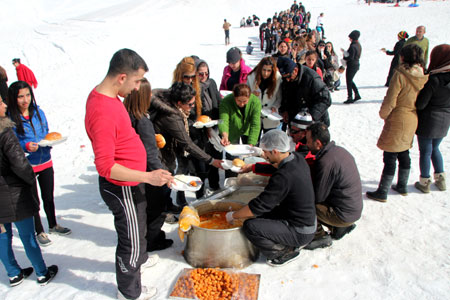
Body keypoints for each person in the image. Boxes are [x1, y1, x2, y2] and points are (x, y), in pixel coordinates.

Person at [85, 48, 174, 300]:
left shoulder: (111, 97)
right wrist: (148, 177)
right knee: (131, 241)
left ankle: (140, 261)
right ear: (122, 77)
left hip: (133, 179)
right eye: (136, 81)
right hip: (121, 185)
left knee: (139, 229)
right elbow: (105, 165)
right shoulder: (102, 110)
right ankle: (129, 290)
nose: (138, 88)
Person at [226, 130, 316, 267]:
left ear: (275, 151)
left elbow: (259, 206)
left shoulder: (283, 177)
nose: (264, 155)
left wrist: (234, 215)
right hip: (303, 218)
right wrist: (252, 166)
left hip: (300, 230)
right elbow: (275, 167)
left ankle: (283, 252)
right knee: (259, 216)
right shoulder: (296, 159)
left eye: (265, 152)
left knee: (251, 226)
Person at [0, 95, 58, 287]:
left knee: (2, 234)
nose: (5, 105)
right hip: (14, 193)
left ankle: (13, 273)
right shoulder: (5, 133)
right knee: (26, 234)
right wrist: (29, 179)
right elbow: (19, 163)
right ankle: (42, 272)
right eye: (0, 103)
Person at [7, 81, 71, 247]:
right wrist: (26, 146)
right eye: (20, 96)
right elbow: (11, 143)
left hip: (45, 160)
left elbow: (45, 133)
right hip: (27, 164)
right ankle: (39, 231)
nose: (25, 100)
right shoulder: (11, 118)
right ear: (14, 98)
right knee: (34, 200)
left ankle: (53, 224)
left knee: (48, 196)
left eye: (27, 95)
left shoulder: (38, 112)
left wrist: (50, 141)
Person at [366, 44, 428, 202]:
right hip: (412, 116)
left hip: (398, 116)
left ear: (403, 57)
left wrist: (383, 113)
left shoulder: (400, 74)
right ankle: (402, 185)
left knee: (390, 155)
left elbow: (391, 98)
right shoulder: (422, 74)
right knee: (404, 151)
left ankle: (383, 191)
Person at [123, 78, 173, 253]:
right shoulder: (142, 120)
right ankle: (152, 240)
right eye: (149, 93)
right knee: (157, 208)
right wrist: (163, 173)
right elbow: (150, 154)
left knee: (145, 209)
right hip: (149, 172)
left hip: (133, 172)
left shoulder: (126, 115)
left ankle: (150, 236)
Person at [303, 123, 363, 250]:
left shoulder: (326, 162)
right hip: (352, 210)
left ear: (318, 143)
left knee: (303, 204)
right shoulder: (339, 151)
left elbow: (318, 197)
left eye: (308, 141)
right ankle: (340, 227)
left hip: (343, 214)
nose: (306, 144)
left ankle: (319, 236)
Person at [150, 82, 223, 182]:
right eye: (190, 104)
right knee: (163, 188)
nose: (193, 106)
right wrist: (211, 160)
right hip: (159, 156)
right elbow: (186, 143)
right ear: (179, 103)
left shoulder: (173, 105)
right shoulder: (171, 116)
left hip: (165, 153)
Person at [414, 44, 450, 193]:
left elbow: (421, 104)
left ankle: (425, 181)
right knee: (435, 148)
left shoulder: (434, 79)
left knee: (426, 151)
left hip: (429, 120)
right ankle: (441, 179)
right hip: (445, 119)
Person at [218, 84, 261, 177]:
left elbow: (255, 123)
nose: (241, 104)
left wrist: (252, 142)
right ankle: (231, 180)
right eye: (239, 101)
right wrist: (224, 135)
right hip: (232, 130)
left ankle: (248, 179)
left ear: (249, 98)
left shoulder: (255, 102)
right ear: (234, 97)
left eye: (245, 101)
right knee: (232, 157)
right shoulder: (226, 101)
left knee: (251, 158)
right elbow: (223, 120)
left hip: (248, 129)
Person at [276, 56, 331, 127]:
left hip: (315, 119)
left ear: (295, 70)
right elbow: (285, 95)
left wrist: (310, 117)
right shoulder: (286, 78)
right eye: (285, 78)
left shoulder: (312, 78)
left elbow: (325, 99)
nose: (287, 80)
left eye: (289, 77)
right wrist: (284, 110)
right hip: (296, 117)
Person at [196, 59, 222, 191]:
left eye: (206, 73)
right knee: (203, 159)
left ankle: (214, 184)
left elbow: (217, 100)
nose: (204, 76)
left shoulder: (211, 83)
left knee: (216, 155)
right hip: (200, 128)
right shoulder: (194, 88)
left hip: (214, 124)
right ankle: (200, 189)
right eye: (201, 74)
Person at [247, 57, 282, 133]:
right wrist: (251, 95)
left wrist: (274, 106)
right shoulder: (251, 77)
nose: (266, 73)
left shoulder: (277, 78)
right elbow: (245, 94)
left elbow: (279, 98)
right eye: (264, 70)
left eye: (269, 71)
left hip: (270, 117)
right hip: (255, 115)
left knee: (270, 142)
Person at [342, 30, 362, 104]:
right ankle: (356, 94)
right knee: (350, 80)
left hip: (352, 65)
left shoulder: (353, 46)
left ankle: (350, 97)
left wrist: (344, 57)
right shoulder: (358, 45)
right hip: (356, 64)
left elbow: (350, 57)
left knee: (349, 81)